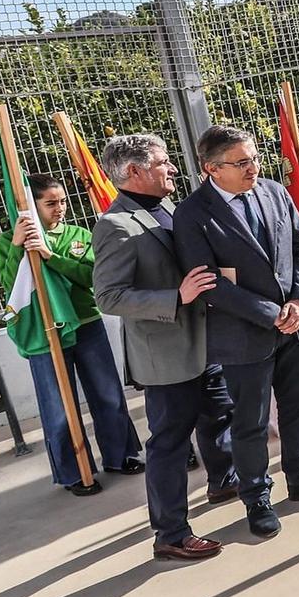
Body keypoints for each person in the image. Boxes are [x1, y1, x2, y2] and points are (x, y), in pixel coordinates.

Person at [173, 125, 299, 539]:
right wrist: (270, 313)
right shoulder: (192, 214)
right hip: (245, 335)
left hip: (296, 325)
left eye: (255, 158)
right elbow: (208, 282)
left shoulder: (274, 192)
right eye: (241, 162)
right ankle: (256, 497)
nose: (252, 168)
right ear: (211, 169)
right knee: (251, 422)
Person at [94, 135, 236, 561]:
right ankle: (171, 534)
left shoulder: (171, 209)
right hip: (166, 358)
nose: (172, 168)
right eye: (162, 162)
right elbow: (109, 296)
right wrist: (178, 295)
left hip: (205, 344)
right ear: (133, 172)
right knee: (170, 444)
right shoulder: (114, 226)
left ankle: (222, 480)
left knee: (218, 416)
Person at [0, 174, 145, 497]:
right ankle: (74, 470)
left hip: (86, 322)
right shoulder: (8, 240)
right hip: (43, 332)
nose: (59, 208)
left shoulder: (76, 235)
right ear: (29, 207)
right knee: (58, 406)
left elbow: (93, 275)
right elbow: (10, 285)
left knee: (106, 393)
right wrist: (20, 247)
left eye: (62, 201)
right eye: (50, 203)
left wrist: (51, 257)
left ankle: (120, 455)